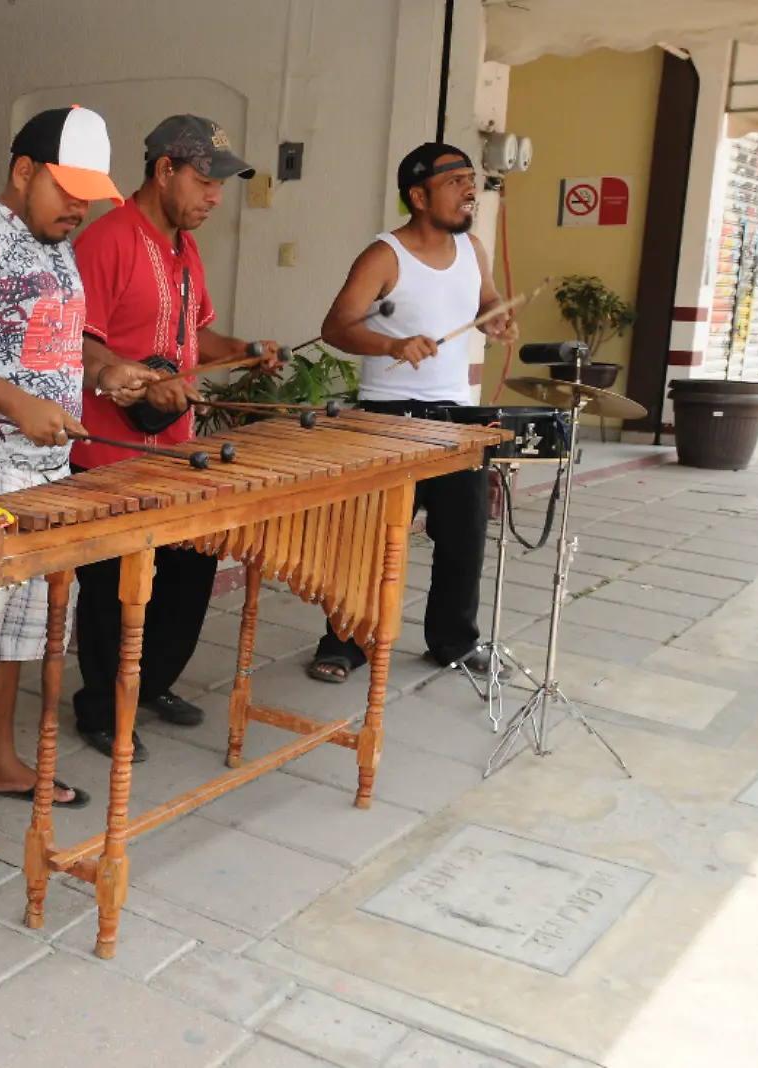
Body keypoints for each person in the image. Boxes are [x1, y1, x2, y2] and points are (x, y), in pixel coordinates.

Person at [0, 106, 146, 865]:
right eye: (66, 190)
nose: (78, 208)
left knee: (17, 632)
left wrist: (107, 369)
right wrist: (18, 404)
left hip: (44, 471)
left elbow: (52, 333)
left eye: (88, 196)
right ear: (23, 170)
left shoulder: (54, 247)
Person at [68, 115, 278, 762]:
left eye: (221, 183)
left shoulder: (186, 249)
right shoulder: (105, 241)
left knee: (189, 572)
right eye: (205, 179)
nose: (216, 195)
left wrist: (241, 349)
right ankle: (101, 708)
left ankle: (151, 683)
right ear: (164, 171)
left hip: (177, 447)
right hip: (109, 452)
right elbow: (77, 343)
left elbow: (193, 341)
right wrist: (130, 381)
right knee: (113, 590)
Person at [305, 142, 518, 684]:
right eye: (456, 182)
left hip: (458, 416)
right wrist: (392, 346)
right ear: (419, 196)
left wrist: (496, 319)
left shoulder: (473, 249)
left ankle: (452, 642)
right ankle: (346, 642)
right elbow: (336, 327)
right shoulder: (384, 255)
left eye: (471, 180)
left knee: (463, 535)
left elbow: (486, 298)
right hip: (388, 415)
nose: (470, 191)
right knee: (372, 537)